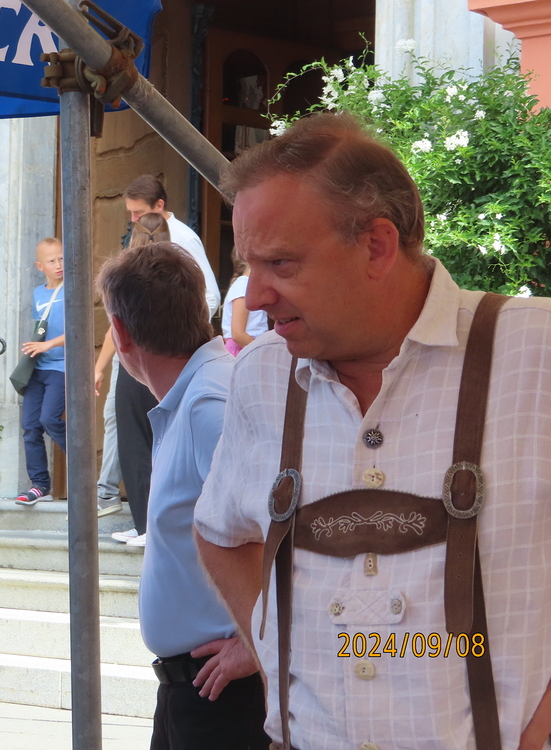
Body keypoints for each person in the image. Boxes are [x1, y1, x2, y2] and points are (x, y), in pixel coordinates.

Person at [193, 112, 551, 750]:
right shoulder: (262, 376)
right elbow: (219, 531)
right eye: (250, 265)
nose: (256, 295)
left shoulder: (536, 353)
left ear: (377, 246)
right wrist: (277, 659)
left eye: (281, 263)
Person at [98, 240, 269, 749]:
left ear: (120, 332)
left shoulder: (208, 402)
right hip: (197, 688)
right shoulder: (198, 395)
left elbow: (288, 528)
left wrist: (259, 644)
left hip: (222, 692)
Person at [104, 213, 172, 546]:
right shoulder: (179, 274)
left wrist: (101, 365)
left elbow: (115, 325)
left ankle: (145, 524)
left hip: (135, 365)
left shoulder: (125, 277)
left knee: (135, 445)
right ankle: (149, 524)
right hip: (168, 363)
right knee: (165, 444)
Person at [122, 174, 220, 318]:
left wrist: (184, 327)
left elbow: (210, 296)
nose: (133, 219)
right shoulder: (138, 233)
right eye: (131, 212)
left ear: (159, 205)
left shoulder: (185, 238)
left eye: (139, 212)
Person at [16, 237, 66, 506]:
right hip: (39, 367)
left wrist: (48, 344)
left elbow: (79, 330)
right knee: (30, 426)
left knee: (50, 419)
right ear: (40, 266)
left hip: (62, 367)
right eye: (52, 261)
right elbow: (42, 327)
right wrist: (35, 346)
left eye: (62, 258)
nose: (58, 265)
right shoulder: (38, 293)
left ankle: (83, 467)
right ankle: (40, 485)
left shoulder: (73, 289)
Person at [220, 247, 269, 356]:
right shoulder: (243, 286)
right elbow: (238, 334)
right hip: (243, 350)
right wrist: (263, 353)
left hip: (247, 348)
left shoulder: (246, 285)